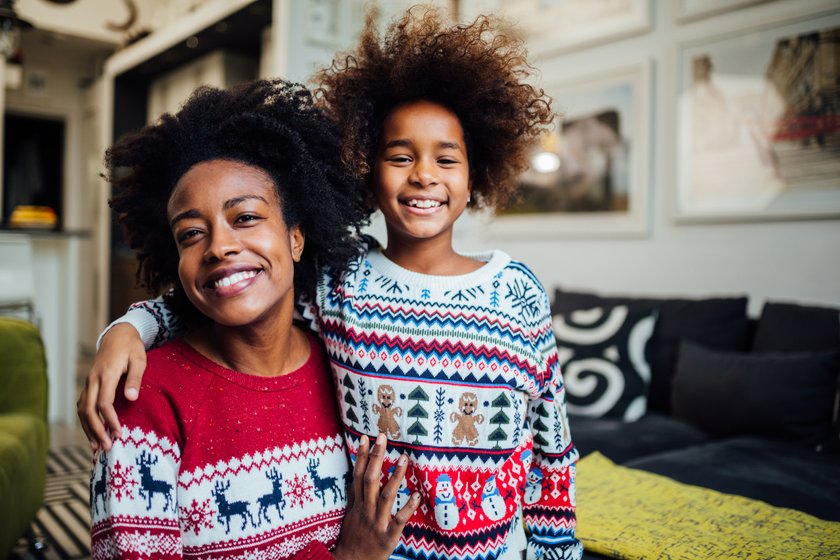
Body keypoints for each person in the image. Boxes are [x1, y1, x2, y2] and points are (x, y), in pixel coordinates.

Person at [80, 8, 582, 560]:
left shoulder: (519, 292)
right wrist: (130, 326)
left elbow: (550, 448)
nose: (423, 174)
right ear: (366, 168)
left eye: (446, 158)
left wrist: (556, 549)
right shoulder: (341, 284)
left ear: (476, 171)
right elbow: (231, 294)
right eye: (399, 156)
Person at [87, 79, 419, 559]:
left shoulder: (345, 367)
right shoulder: (143, 399)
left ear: (297, 238)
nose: (218, 246)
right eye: (191, 233)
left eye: (244, 218)